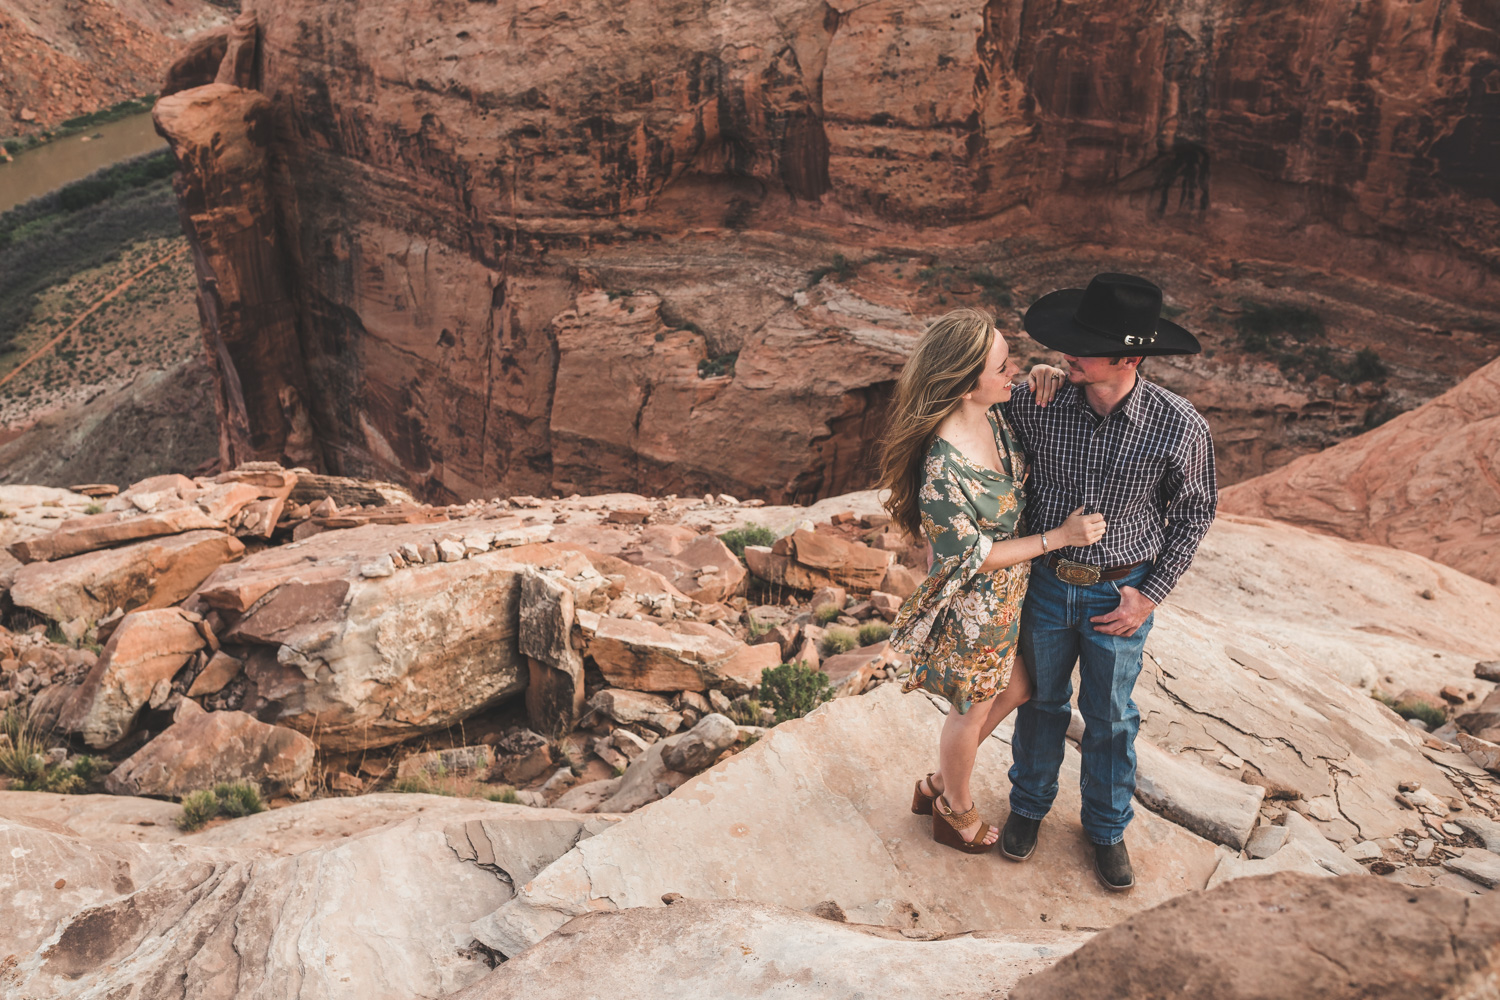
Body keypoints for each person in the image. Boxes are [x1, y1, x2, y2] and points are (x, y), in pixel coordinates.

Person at [998, 272, 1218, 891]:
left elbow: (1195, 510)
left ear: (1129, 356)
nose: (1069, 352)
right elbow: (973, 407)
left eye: (1083, 345)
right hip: (1044, 583)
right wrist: (1033, 376)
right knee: (1040, 703)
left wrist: (1150, 594)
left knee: (1111, 716)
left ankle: (1106, 827)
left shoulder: (1179, 426)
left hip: (1118, 590)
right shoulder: (1037, 401)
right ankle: (1028, 808)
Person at [877, 308, 1105, 854]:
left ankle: (936, 783)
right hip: (975, 607)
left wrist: (1047, 376)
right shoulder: (941, 464)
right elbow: (971, 557)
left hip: (1011, 599)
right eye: (1004, 366)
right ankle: (954, 809)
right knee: (971, 709)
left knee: (1022, 686)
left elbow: (1030, 395)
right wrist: (1060, 537)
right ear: (963, 383)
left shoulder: (994, 412)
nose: (1015, 373)